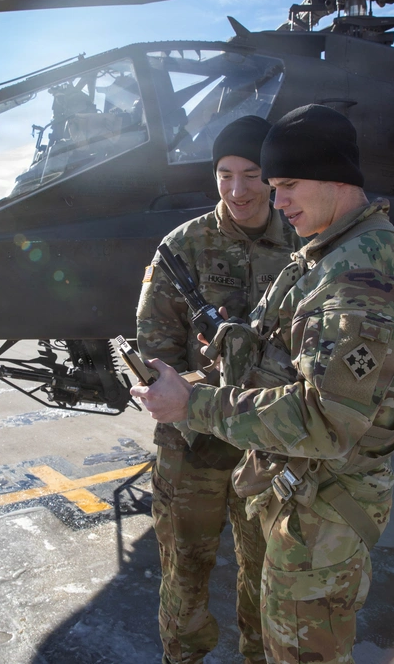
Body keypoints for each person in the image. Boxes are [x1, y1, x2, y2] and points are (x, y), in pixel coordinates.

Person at [132, 104, 394, 664]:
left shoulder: (361, 274)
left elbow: (324, 420)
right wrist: (233, 353)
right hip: (268, 465)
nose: (274, 201)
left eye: (284, 184)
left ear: (334, 177)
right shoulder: (326, 252)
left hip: (317, 492)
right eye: (269, 185)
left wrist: (194, 402)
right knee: (190, 573)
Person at [136, 115, 303, 664]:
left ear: (273, 177)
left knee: (267, 582)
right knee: (184, 576)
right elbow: (155, 349)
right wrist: (199, 406)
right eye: (225, 174)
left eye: (252, 175)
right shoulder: (183, 246)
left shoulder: (303, 243)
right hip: (193, 447)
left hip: (270, 445)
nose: (237, 190)